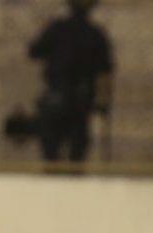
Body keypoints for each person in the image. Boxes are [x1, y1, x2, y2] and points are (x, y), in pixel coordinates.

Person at [28, 0, 115, 162]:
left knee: (51, 152)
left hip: (57, 96)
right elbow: (105, 71)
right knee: (76, 154)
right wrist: (103, 102)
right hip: (80, 99)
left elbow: (34, 51)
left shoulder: (57, 28)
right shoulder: (95, 34)